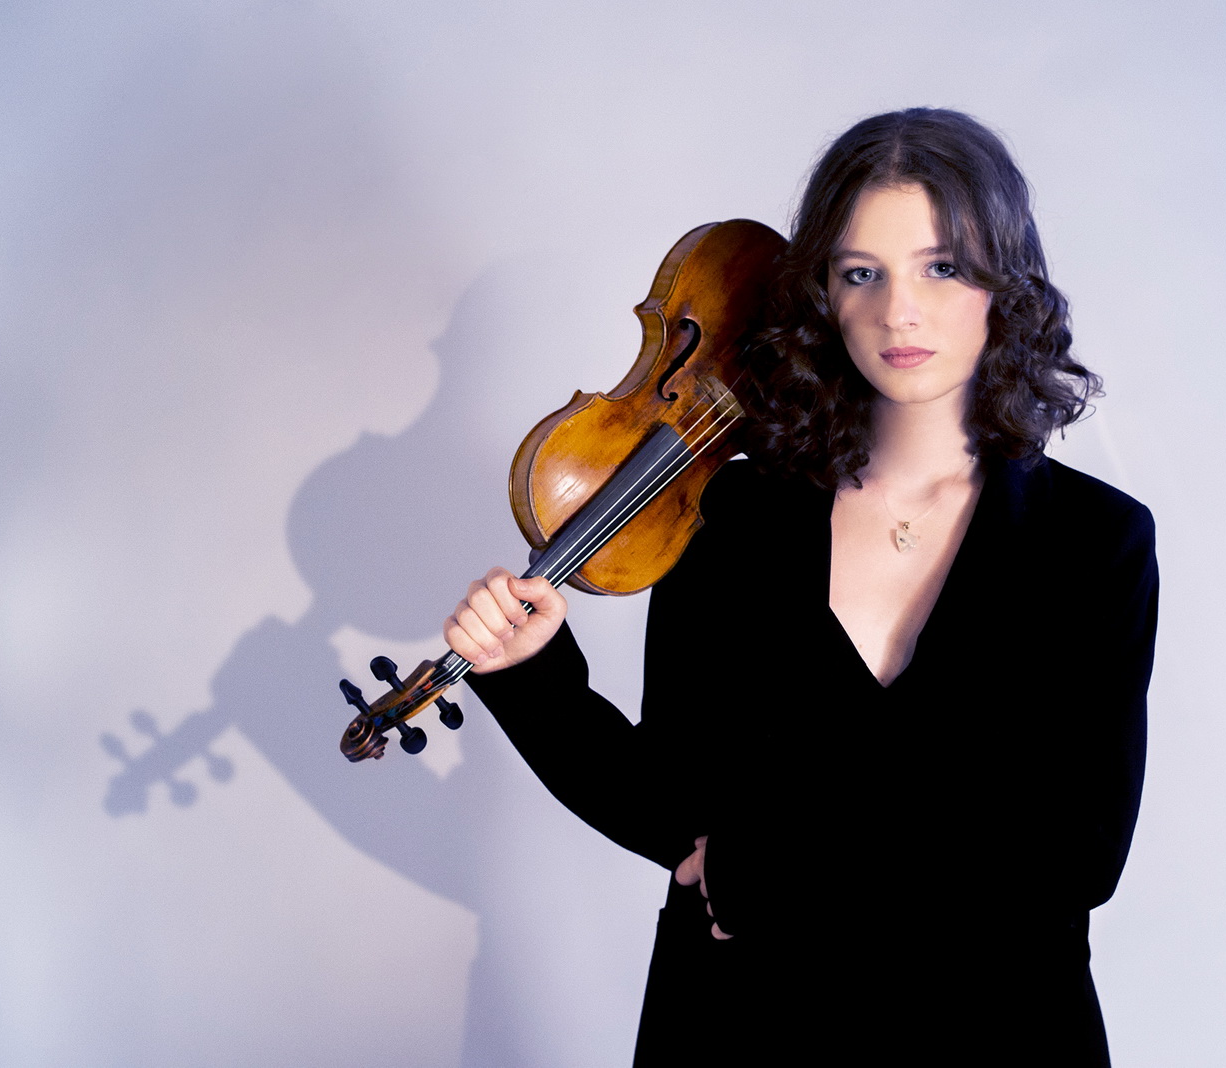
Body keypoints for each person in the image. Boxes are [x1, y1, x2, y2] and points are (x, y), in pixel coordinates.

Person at [443, 108, 1158, 1065]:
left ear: (1005, 284)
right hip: (745, 1029)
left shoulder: (1095, 542)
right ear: (822, 291)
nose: (898, 311)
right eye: (862, 272)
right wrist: (535, 680)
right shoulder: (733, 514)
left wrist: (772, 873)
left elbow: (1072, 854)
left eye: (942, 267)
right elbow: (677, 808)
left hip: (997, 1034)